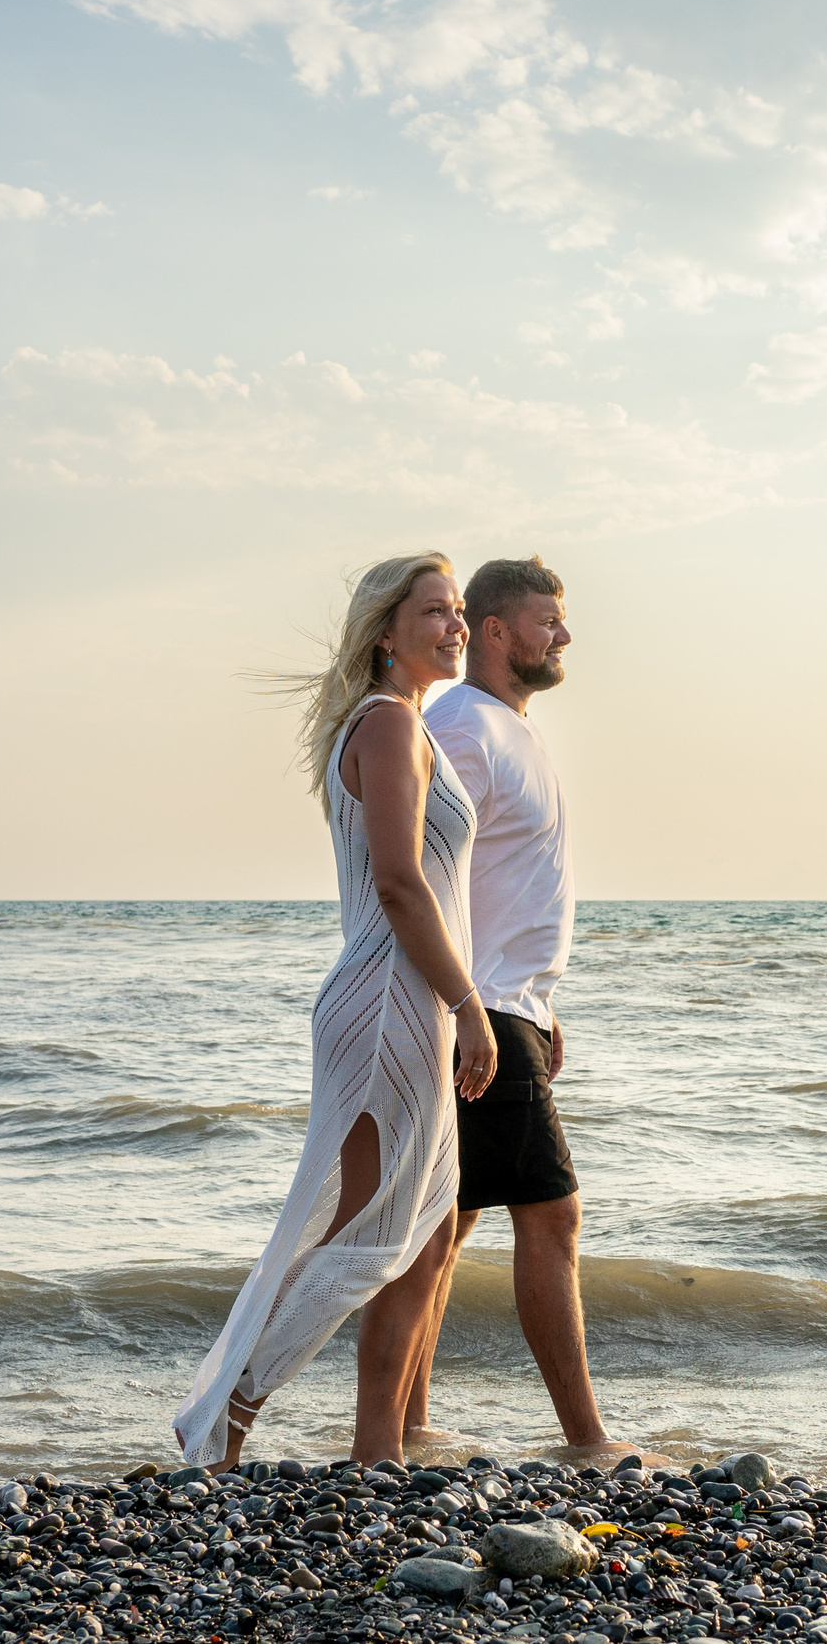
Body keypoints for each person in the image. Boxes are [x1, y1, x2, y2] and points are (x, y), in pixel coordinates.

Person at [171, 552, 500, 1473]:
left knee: (425, 1235)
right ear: (385, 631)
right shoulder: (389, 727)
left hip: (409, 999)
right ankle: (224, 1423)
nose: (455, 625)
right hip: (394, 999)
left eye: (460, 610)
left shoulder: (410, 728)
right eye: (434, 610)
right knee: (362, 1236)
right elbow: (399, 885)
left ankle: (376, 1451)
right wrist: (469, 1006)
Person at [404, 555, 631, 1459]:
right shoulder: (463, 723)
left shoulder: (507, 727)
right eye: (547, 620)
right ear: (496, 631)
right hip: (481, 1007)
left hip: (508, 1003)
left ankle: (409, 1424)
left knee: (447, 1221)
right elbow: (428, 867)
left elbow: (499, 879)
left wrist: (538, 1002)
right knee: (552, 1213)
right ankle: (587, 1440)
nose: (563, 635)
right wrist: (472, 1002)